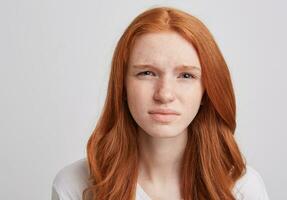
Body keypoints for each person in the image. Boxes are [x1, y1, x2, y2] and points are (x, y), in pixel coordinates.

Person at [51, 6, 269, 200]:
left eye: (186, 76)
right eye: (147, 73)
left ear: (206, 91)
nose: (164, 94)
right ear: (122, 86)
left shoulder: (242, 188)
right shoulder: (75, 186)